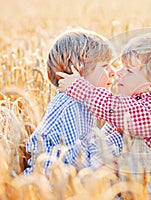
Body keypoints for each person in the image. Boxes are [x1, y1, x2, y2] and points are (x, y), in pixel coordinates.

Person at [57, 33, 151, 199]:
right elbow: (105, 141)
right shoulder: (133, 104)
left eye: (129, 71)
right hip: (134, 186)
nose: (118, 73)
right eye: (121, 66)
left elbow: (112, 107)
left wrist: (78, 87)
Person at [24, 29, 118, 175]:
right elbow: (78, 163)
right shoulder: (70, 105)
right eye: (105, 66)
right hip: (52, 186)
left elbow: (90, 146)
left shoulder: (82, 103)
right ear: (76, 71)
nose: (114, 72)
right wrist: (117, 141)